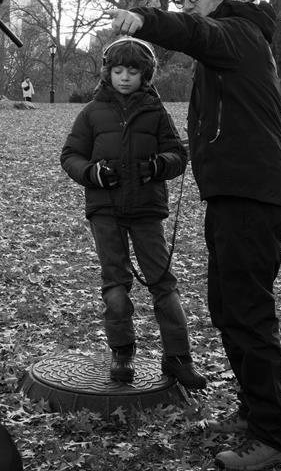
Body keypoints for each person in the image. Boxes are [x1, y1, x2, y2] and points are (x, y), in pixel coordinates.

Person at [107, 0, 281, 470]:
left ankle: (273, 436)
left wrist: (142, 20)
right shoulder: (230, 41)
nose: (185, 3)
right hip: (232, 194)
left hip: (252, 195)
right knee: (227, 306)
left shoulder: (235, 32)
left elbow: (192, 31)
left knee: (247, 312)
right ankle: (256, 410)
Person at [60, 36, 207, 390]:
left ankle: (178, 357)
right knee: (115, 286)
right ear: (108, 73)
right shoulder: (92, 112)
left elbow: (178, 156)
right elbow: (70, 156)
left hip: (146, 211)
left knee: (163, 284)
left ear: (146, 75)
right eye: (119, 70)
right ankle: (122, 353)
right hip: (105, 211)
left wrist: (157, 166)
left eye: (134, 71)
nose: (125, 77)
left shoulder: (156, 113)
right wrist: (91, 172)